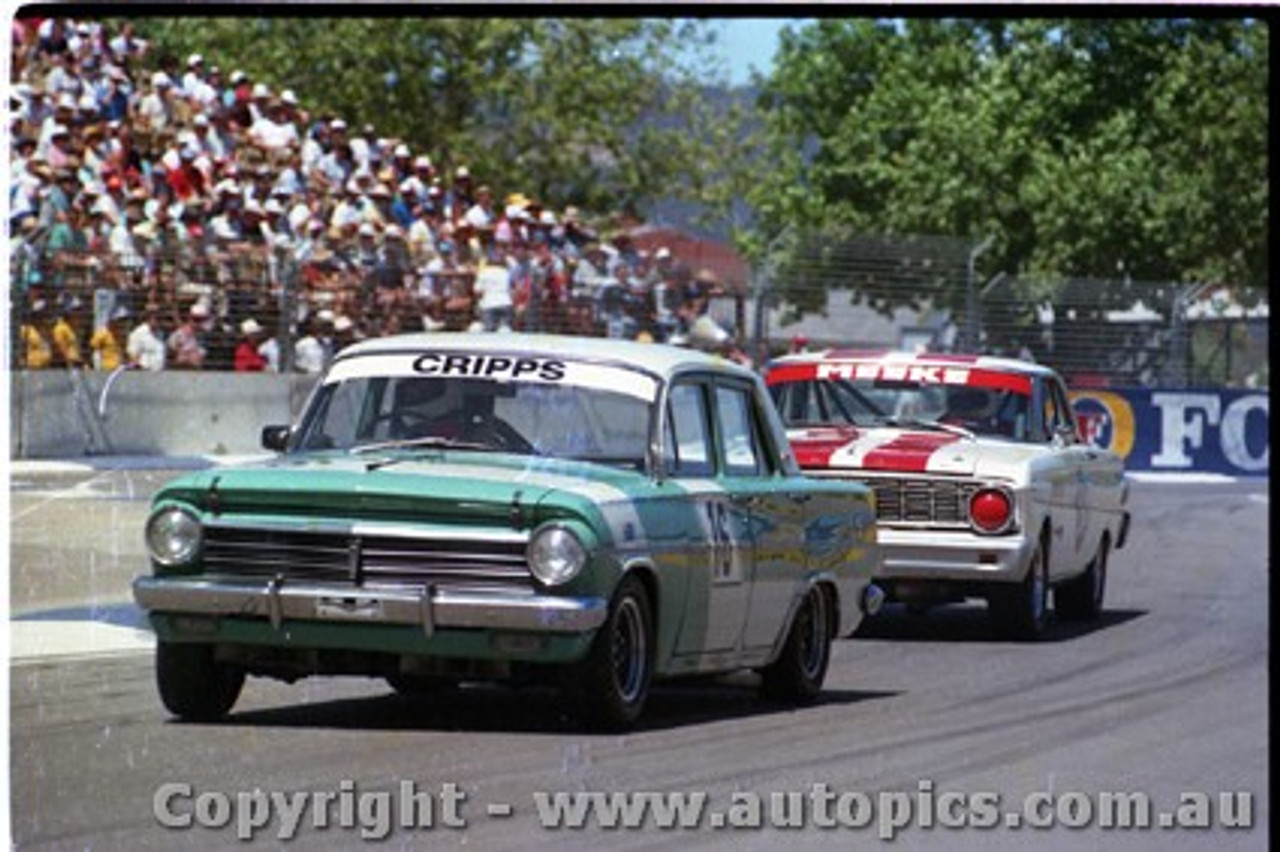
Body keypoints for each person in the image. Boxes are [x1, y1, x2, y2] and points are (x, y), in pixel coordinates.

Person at [167, 300, 210, 370]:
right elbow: (175, 356)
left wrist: (185, 354)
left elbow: (198, 359)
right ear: (189, 318)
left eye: (201, 320)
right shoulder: (178, 334)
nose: (198, 323)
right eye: (196, 319)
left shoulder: (204, 337)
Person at [89, 305, 132, 370]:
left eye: (125, 321)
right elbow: (91, 350)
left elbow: (124, 353)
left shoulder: (123, 337)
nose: (123, 324)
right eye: (120, 320)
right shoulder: (103, 334)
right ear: (113, 320)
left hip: (119, 371)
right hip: (105, 370)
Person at [126, 303, 166, 371]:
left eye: (160, 317)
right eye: (156, 317)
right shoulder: (138, 333)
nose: (159, 320)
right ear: (148, 317)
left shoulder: (160, 334)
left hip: (160, 375)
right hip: (144, 375)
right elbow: (132, 356)